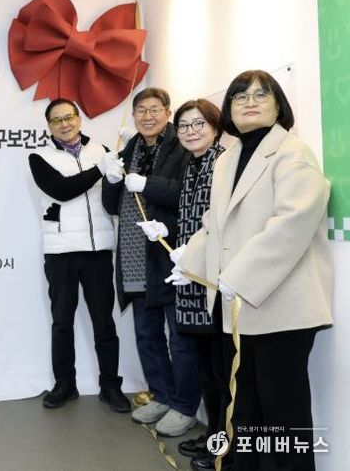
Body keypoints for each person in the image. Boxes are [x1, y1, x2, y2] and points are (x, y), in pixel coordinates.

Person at [171, 70, 333, 471]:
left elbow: (292, 223)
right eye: (240, 96)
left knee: (283, 413)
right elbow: (215, 224)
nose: (250, 102)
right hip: (237, 308)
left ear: (279, 106)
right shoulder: (228, 159)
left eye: (261, 94)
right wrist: (188, 260)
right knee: (244, 408)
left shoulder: (293, 153)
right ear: (229, 110)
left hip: (282, 305)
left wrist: (237, 275)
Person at [102, 88, 198, 437]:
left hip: (168, 256)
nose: (147, 116)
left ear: (168, 112)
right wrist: (111, 180)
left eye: (154, 109)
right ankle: (162, 395)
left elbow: (186, 195)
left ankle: (184, 406)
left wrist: (148, 184)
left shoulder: (182, 146)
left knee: (180, 339)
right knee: (147, 335)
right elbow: (111, 205)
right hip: (133, 257)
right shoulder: (129, 149)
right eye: (141, 110)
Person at [137, 99, 228, 466]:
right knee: (206, 366)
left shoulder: (223, 163)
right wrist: (169, 229)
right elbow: (190, 217)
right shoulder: (193, 164)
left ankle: (224, 445)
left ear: (216, 127)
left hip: (215, 278)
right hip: (191, 275)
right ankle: (213, 436)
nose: (191, 131)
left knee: (220, 370)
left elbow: (222, 223)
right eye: (186, 125)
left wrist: (192, 250)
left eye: (199, 124)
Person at [28, 98, 130, 413]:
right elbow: (61, 190)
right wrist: (99, 170)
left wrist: (118, 173)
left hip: (98, 250)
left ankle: (111, 386)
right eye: (56, 120)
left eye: (69, 117)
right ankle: (65, 384)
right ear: (49, 126)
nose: (64, 124)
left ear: (79, 119)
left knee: (104, 322)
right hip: (61, 251)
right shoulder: (39, 157)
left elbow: (113, 197)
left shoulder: (101, 150)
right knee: (62, 321)